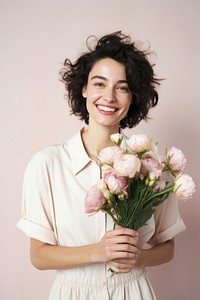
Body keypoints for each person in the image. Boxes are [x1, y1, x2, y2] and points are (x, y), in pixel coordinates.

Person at [17, 31, 186, 300]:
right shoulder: (47, 164)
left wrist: (138, 257)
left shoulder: (151, 167)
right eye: (99, 83)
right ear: (83, 89)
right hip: (72, 293)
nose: (109, 96)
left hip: (134, 291)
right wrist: (98, 252)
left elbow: (168, 247)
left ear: (132, 97)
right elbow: (38, 255)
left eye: (122, 87)